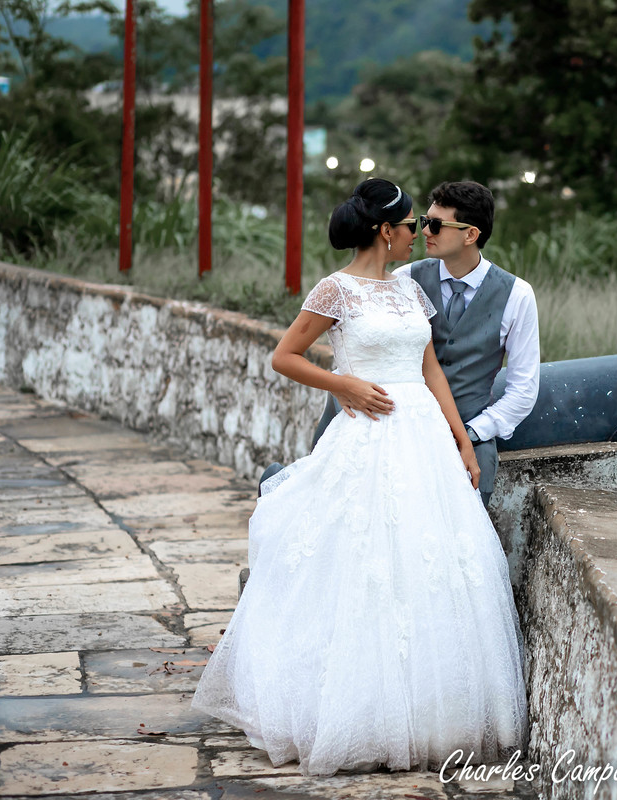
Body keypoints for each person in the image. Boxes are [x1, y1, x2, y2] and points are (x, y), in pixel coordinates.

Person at [191, 178, 528, 776]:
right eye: (410, 227)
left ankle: (431, 712)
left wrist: (461, 439)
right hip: (366, 435)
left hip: (422, 434)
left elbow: (432, 371)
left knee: (430, 564)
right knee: (360, 562)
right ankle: (348, 710)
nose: (417, 237)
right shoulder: (336, 289)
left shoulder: (407, 294)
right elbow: (284, 356)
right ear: (385, 230)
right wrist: (342, 382)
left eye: (427, 226)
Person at [395, 181, 540, 508]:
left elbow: (523, 389)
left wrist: (472, 433)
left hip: (470, 437)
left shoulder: (517, 295)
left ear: (470, 235)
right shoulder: (405, 280)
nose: (424, 232)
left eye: (435, 224)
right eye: (423, 221)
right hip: (402, 429)